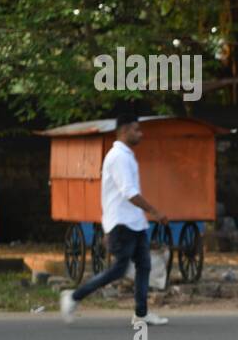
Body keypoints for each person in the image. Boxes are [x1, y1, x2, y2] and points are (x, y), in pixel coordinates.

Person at [60, 111, 169, 325]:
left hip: (134, 222)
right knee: (119, 269)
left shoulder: (126, 155)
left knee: (144, 266)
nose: (141, 134)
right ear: (124, 131)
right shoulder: (118, 157)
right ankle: (73, 296)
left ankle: (141, 313)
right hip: (122, 223)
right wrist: (155, 212)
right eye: (137, 130)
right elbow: (129, 192)